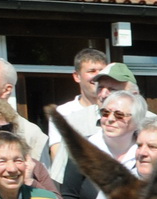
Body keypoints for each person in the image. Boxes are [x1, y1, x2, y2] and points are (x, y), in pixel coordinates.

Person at [46, 48, 109, 180]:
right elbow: (57, 153)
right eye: (91, 71)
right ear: (76, 76)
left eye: (101, 71)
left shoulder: (117, 109)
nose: (97, 76)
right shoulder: (63, 113)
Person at [88, 88, 146, 169]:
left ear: (137, 121)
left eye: (119, 114)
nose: (110, 119)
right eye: (105, 112)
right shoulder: (83, 147)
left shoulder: (146, 153)